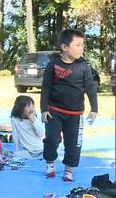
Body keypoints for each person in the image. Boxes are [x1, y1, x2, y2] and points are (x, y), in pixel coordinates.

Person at [41, 28, 98, 182]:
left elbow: (90, 88)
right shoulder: (53, 65)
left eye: (82, 45)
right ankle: (50, 164)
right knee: (52, 139)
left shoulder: (84, 66)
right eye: (78, 45)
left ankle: (68, 170)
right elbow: (45, 87)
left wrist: (94, 109)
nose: (81, 48)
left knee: (73, 143)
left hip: (75, 114)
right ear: (65, 47)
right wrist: (43, 109)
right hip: (54, 110)